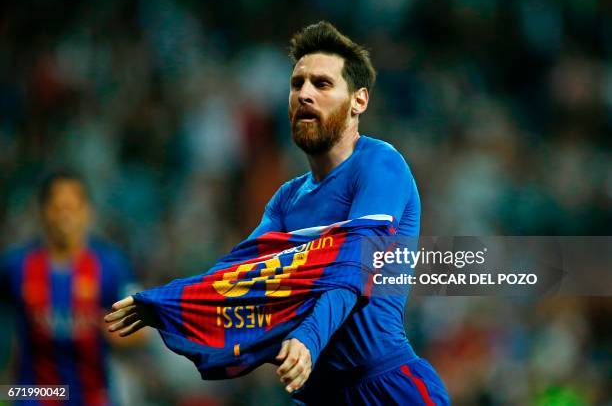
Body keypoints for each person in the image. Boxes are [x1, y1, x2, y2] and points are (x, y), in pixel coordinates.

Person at [106, 21, 450, 405]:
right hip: (317, 395)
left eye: (321, 84)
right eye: (297, 83)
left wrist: (308, 337)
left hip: (388, 388)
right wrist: (164, 303)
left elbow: (353, 264)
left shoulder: (380, 165)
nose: (304, 94)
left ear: (359, 101)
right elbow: (238, 277)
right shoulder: (287, 200)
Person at [0, 171, 136, 406]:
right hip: (33, 396)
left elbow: (141, 333)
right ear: (42, 212)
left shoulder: (111, 265)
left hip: (93, 396)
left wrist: (116, 331)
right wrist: (6, 390)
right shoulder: (15, 265)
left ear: (87, 212)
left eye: (72, 208)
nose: (65, 216)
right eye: (58, 207)